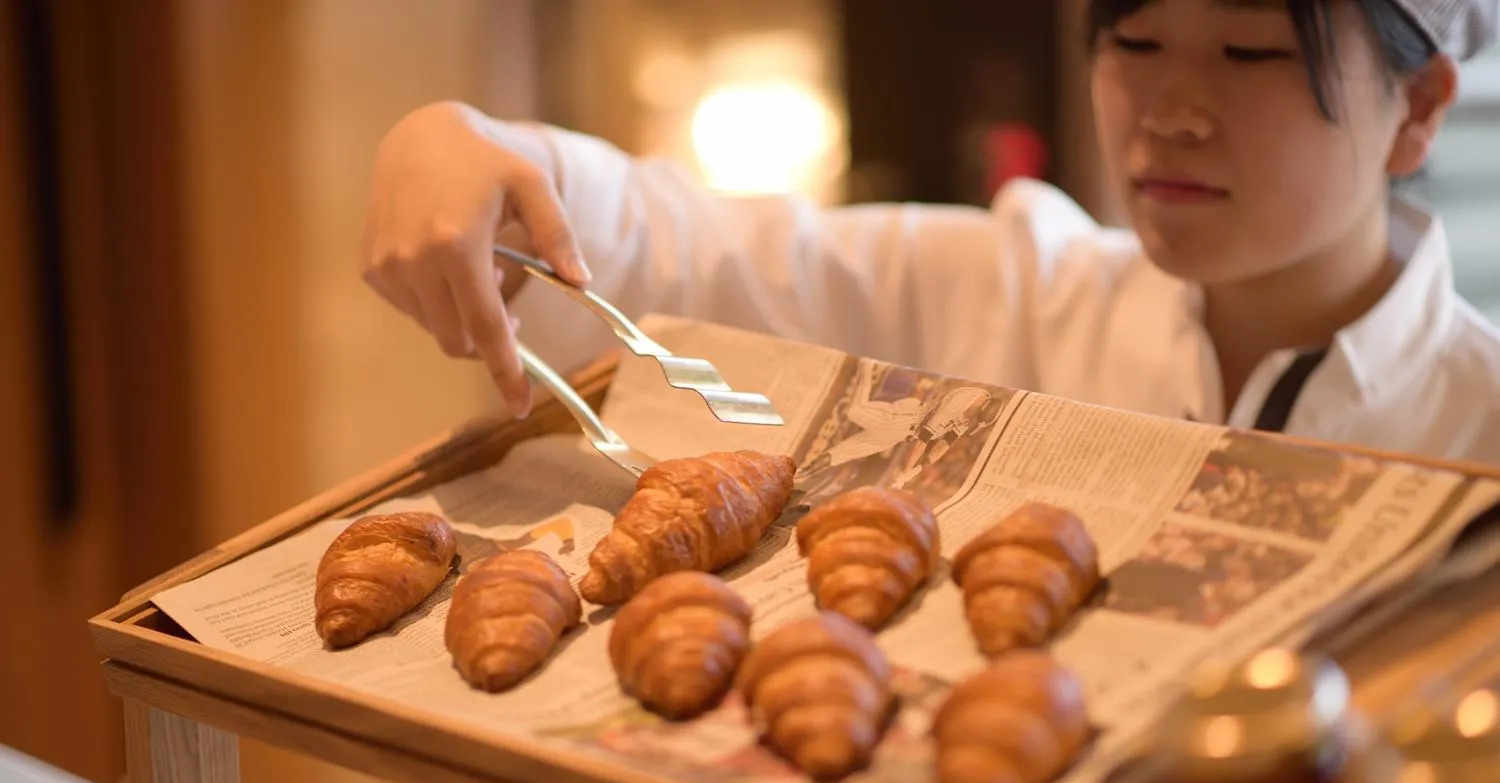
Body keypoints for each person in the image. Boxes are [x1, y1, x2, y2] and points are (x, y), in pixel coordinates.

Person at [361, 0, 1500, 466]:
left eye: (1251, 53)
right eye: (1135, 45)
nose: (1171, 113)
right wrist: (472, 150)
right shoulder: (1015, 289)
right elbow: (695, 256)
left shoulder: (1478, 426)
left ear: (1421, 106)